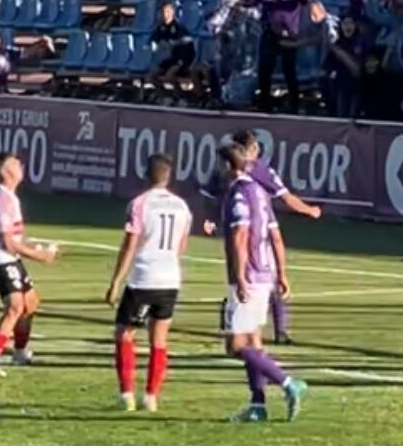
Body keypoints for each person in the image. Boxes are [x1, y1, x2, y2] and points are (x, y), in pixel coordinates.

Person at [208, 144, 309, 422]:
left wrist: (240, 276)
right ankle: (258, 405)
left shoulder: (239, 194)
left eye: (218, 165)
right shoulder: (260, 193)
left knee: (236, 345)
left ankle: (288, 383)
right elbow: (275, 235)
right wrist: (281, 274)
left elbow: (241, 234)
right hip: (264, 275)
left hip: (249, 276)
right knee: (253, 341)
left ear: (228, 166)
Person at [196, 132, 325, 344]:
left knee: (245, 280)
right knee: (267, 277)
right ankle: (278, 331)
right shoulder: (259, 171)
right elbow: (286, 198)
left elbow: (209, 197)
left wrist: (210, 219)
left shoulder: (227, 170)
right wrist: (310, 210)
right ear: (252, 148)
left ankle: (244, 320)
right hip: (256, 228)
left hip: (242, 225)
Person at [105, 155, 186, 413]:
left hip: (144, 279)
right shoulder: (182, 206)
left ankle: (127, 394)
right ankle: (151, 397)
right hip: (170, 278)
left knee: (124, 333)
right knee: (159, 340)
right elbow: (180, 246)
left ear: (145, 175)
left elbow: (130, 244)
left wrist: (116, 281)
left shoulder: (140, 204)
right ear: (169, 176)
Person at [0, 152, 62, 377]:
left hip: (8, 258)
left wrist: (38, 247)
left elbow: (12, 237)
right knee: (15, 307)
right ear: (4, 171)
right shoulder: (3, 199)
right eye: (15, 163)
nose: (20, 165)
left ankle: (20, 352)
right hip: (0, 260)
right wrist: (40, 257)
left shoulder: (5, 196)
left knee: (30, 303)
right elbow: (7, 243)